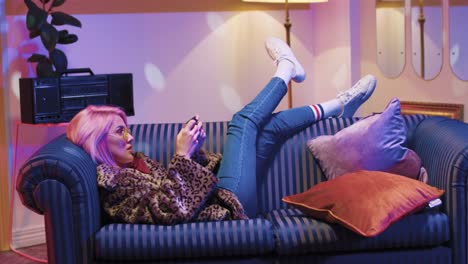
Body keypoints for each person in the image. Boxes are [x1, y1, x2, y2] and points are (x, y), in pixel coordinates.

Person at [66, 37, 376, 224]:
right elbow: (171, 209)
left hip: (222, 199)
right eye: (119, 132)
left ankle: (339, 105)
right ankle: (285, 69)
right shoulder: (114, 185)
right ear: (97, 141)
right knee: (243, 121)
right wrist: (181, 156)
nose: (129, 137)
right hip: (227, 211)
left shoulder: (137, 163)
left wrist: (196, 154)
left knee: (269, 129)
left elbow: (186, 187)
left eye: (127, 129)